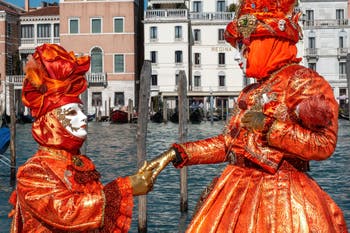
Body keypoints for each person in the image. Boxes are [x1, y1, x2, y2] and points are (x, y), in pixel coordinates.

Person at [142, 0, 348, 232]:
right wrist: (177, 153)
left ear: (265, 43)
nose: (239, 57)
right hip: (235, 191)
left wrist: (271, 128)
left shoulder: (304, 81)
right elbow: (228, 144)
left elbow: (323, 144)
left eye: (244, 47)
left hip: (283, 199)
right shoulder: (249, 92)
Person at [8, 43, 153, 232]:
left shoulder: (81, 163)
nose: (83, 117)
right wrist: (127, 187)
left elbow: (91, 206)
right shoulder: (35, 170)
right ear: (52, 122)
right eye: (71, 113)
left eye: (82, 111)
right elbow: (66, 213)